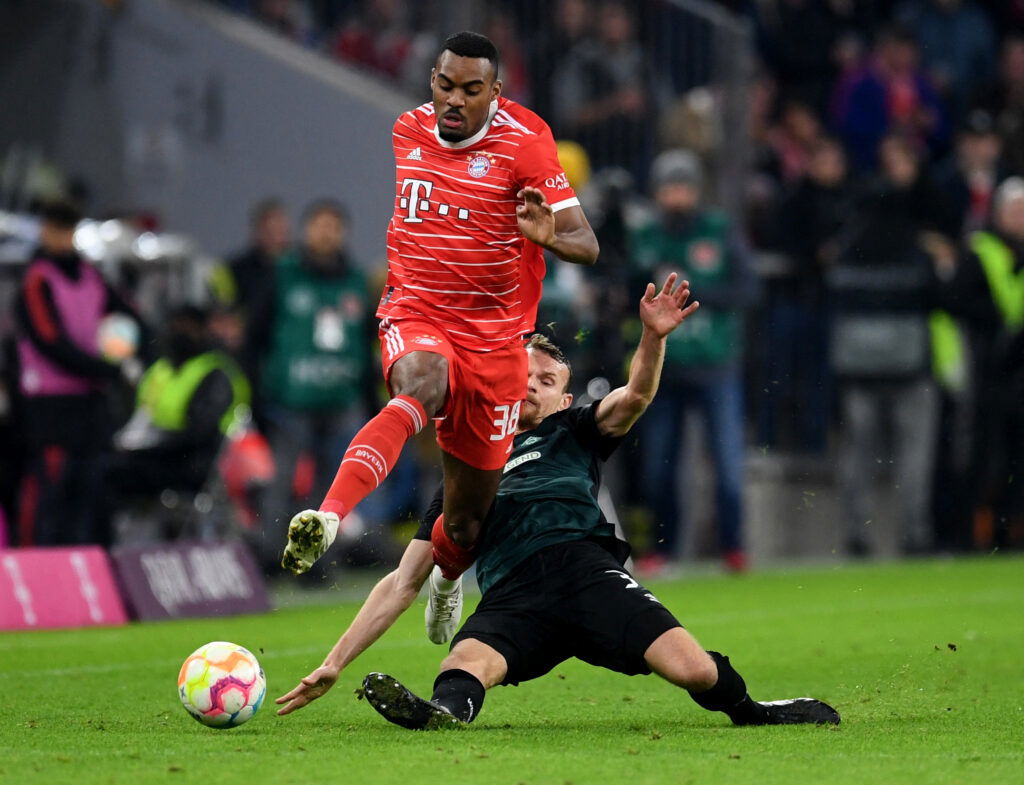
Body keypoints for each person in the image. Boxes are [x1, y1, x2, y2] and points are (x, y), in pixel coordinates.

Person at [274, 274, 839, 730]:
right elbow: (400, 582)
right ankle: (443, 715)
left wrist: (653, 337)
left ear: (565, 397)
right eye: (524, 373)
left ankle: (752, 711)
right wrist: (335, 662)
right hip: (513, 592)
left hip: (585, 571)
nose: (532, 384)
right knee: (464, 664)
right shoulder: (464, 470)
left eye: (547, 379)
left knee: (692, 669)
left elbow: (637, 395)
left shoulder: (574, 430)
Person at [279, 32, 599, 631]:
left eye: (470, 91)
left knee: (463, 522)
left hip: (497, 341)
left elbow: (587, 242)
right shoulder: (408, 129)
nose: (453, 101)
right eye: (444, 86)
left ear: (495, 94)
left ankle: (449, 579)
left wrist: (548, 236)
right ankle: (327, 515)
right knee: (419, 384)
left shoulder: (526, 146)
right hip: (417, 310)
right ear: (432, 80)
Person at [628, 149, 758, 574]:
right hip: (665, 368)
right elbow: (627, 288)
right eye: (669, 187)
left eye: (683, 187)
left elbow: (747, 290)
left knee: (727, 462)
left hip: (716, 363)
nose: (676, 196)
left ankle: (734, 547)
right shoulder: (646, 234)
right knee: (660, 464)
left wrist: (692, 292)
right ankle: (662, 549)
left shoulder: (719, 231)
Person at [248, 199, 376, 573]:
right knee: (282, 481)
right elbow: (255, 336)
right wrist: (258, 393)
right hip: (290, 402)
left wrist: (370, 403)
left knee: (333, 489)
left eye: (334, 226)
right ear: (306, 230)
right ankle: (270, 559)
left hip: (341, 402)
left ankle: (319, 561)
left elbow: (368, 345)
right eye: (319, 225)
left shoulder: (356, 281)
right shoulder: (282, 275)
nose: (326, 232)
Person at [13, 200, 143, 547]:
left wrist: (131, 347)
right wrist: (102, 368)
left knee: (94, 487)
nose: (63, 238)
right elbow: (49, 340)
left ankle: (91, 565)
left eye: (69, 230)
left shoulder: (90, 275)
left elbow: (126, 312)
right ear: (45, 231)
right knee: (50, 487)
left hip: (90, 399)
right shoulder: (37, 279)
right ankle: (34, 564)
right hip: (51, 403)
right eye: (57, 229)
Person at [102, 306, 250, 541]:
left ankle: (108, 545)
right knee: (101, 467)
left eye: (187, 328)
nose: (179, 334)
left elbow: (200, 431)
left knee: (109, 474)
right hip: (156, 454)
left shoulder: (215, 372)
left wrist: (150, 446)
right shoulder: (159, 371)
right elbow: (137, 418)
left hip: (192, 463)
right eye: (175, 327)